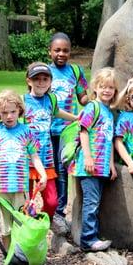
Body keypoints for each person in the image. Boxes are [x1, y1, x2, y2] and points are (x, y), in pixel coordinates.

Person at [0, 89, 47, 249]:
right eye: (4, 113)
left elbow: (34, 156)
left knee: (21, 221)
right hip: (0, 188)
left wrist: (43, 175)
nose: (9, 116)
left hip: (20, 187)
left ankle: (21, 254)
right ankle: (9, 257)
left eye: (13, 111)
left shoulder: (26, 131)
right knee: (5, 226)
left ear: (19, 110)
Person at [70, 67, 118, 252]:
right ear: (95, 88)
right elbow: (83, 131)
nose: (107, 90)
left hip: (102, 166)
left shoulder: (107, 112)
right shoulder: (93, 107)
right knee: (91, 202)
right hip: (89, 167)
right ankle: (88, 240)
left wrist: (111, 165)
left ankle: (92, 236)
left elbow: (109, 141)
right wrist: (88, 157)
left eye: (111, 87)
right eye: (103, 86)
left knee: (95, 202)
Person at [23, 62, 77, 221]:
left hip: (46, 159)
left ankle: (43, 220)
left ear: (50, 81)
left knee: (52, 201)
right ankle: (27, 228)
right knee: (25, 202)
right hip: (26, 159)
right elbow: (8, 115)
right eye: (36, 78)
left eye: (45, 79)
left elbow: (57, 112)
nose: (41, 82)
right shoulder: (23, 100)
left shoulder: (51, 99)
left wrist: (76, 118)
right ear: (29, 81)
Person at [48, 32, 89, 234]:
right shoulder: (44, 72)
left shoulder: (75, 71)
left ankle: (60, 212)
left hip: (67, 130)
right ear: (50, 52)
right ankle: (48, 209)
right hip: (46, 131)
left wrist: (97, 96)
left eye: (65, 50)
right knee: (49, 169)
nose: (61, 54)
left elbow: (82, 98)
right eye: (57, 50)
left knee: (64, 168)